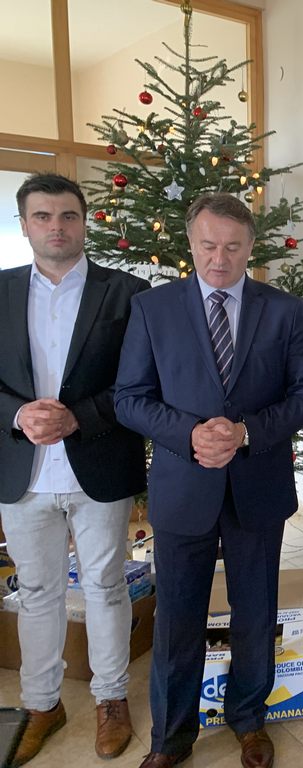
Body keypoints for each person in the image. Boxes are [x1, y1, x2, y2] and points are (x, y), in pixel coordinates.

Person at [114, 193, 303, 768]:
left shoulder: (283, 310)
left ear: (251, 247)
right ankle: (170, 738)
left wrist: (247, 432)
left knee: (256, 612)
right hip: (185, 488)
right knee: (177, 618)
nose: (219, 259)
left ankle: (249, 720)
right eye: (208, 245)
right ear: (190, 243)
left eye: (233, 247)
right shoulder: (152, 309)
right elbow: (129, 398)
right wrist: (190, 434)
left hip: (258, 486)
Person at [0, 174, 149, 767]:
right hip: (23, 471)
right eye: (42, 216)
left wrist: (77, 417)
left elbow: (141, 384)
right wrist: (18, 414)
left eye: (68, 215)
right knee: (36, 591)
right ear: (25, 225)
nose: (56, 227)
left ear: (85, 223)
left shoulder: (128, 293)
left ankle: (111, 699)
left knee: (106, 586)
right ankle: (42, 705)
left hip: (99, 464)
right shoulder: (0, 291)